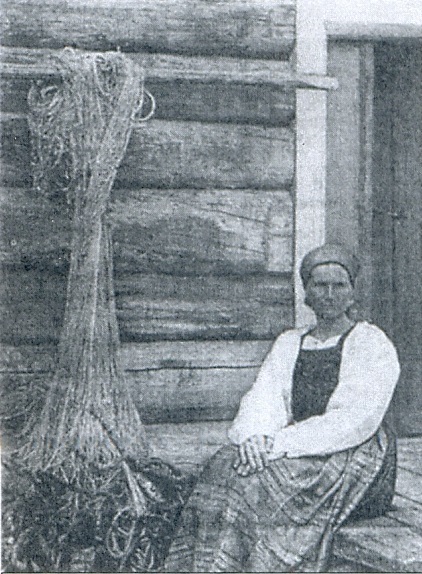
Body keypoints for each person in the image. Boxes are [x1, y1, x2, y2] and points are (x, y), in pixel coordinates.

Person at [164, 243, 400, 573]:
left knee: (253, 484)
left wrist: (276, 445)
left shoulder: (370, 342)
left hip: (354, 452)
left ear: (352, 293)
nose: (329, 294)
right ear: (307, 294)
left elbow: (353, 419)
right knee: (225, 464)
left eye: (339, 285)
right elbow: (265, 397)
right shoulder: (290, 342)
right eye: (320, 285)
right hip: (295, 446)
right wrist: (255, 438)